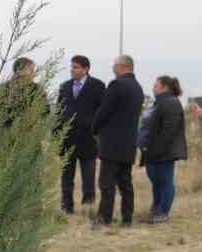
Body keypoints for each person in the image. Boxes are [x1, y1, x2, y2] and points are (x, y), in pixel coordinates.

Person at [91, 55, 143, 229]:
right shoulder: (138, 87)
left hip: (112, 143)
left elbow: (104, 111)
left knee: (107, 183)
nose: (113, 68)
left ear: (122, 66)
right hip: (129, 143)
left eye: (114, 65)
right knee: (125, 183)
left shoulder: (116, 85)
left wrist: (94, 128)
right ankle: (127, 219)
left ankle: (104, 218)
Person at [55, 55, 105, 214]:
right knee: (66, 178)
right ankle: (66, 207)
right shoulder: (64, 86)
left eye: (76, 67)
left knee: (88, 178)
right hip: (67, 139)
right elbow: (59, 112)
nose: (72, 70)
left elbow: (102, 112)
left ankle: (88, 208)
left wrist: (97, 132)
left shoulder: (97, 86)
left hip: (88, 140)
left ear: (86, 69)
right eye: (72, 67)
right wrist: (57, 135)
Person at [139, 75, 188, 223]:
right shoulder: (158, 103)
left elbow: (168, 131)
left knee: (165, 181)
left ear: (165, 87)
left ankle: (162, 212)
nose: (153, 88)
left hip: (163, 152)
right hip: (151, 151)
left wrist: (156, 149)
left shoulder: (171, 103)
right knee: (157, 181)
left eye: (156, 85)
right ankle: (156, 209)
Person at [0, 57, 42, 129]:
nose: (33, 72)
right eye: (30, 69)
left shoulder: (37, 90)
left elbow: (44, 112)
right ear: (19, 71)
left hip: (28, 134)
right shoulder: (2, 89)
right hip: (4, 134)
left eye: (33, 70)